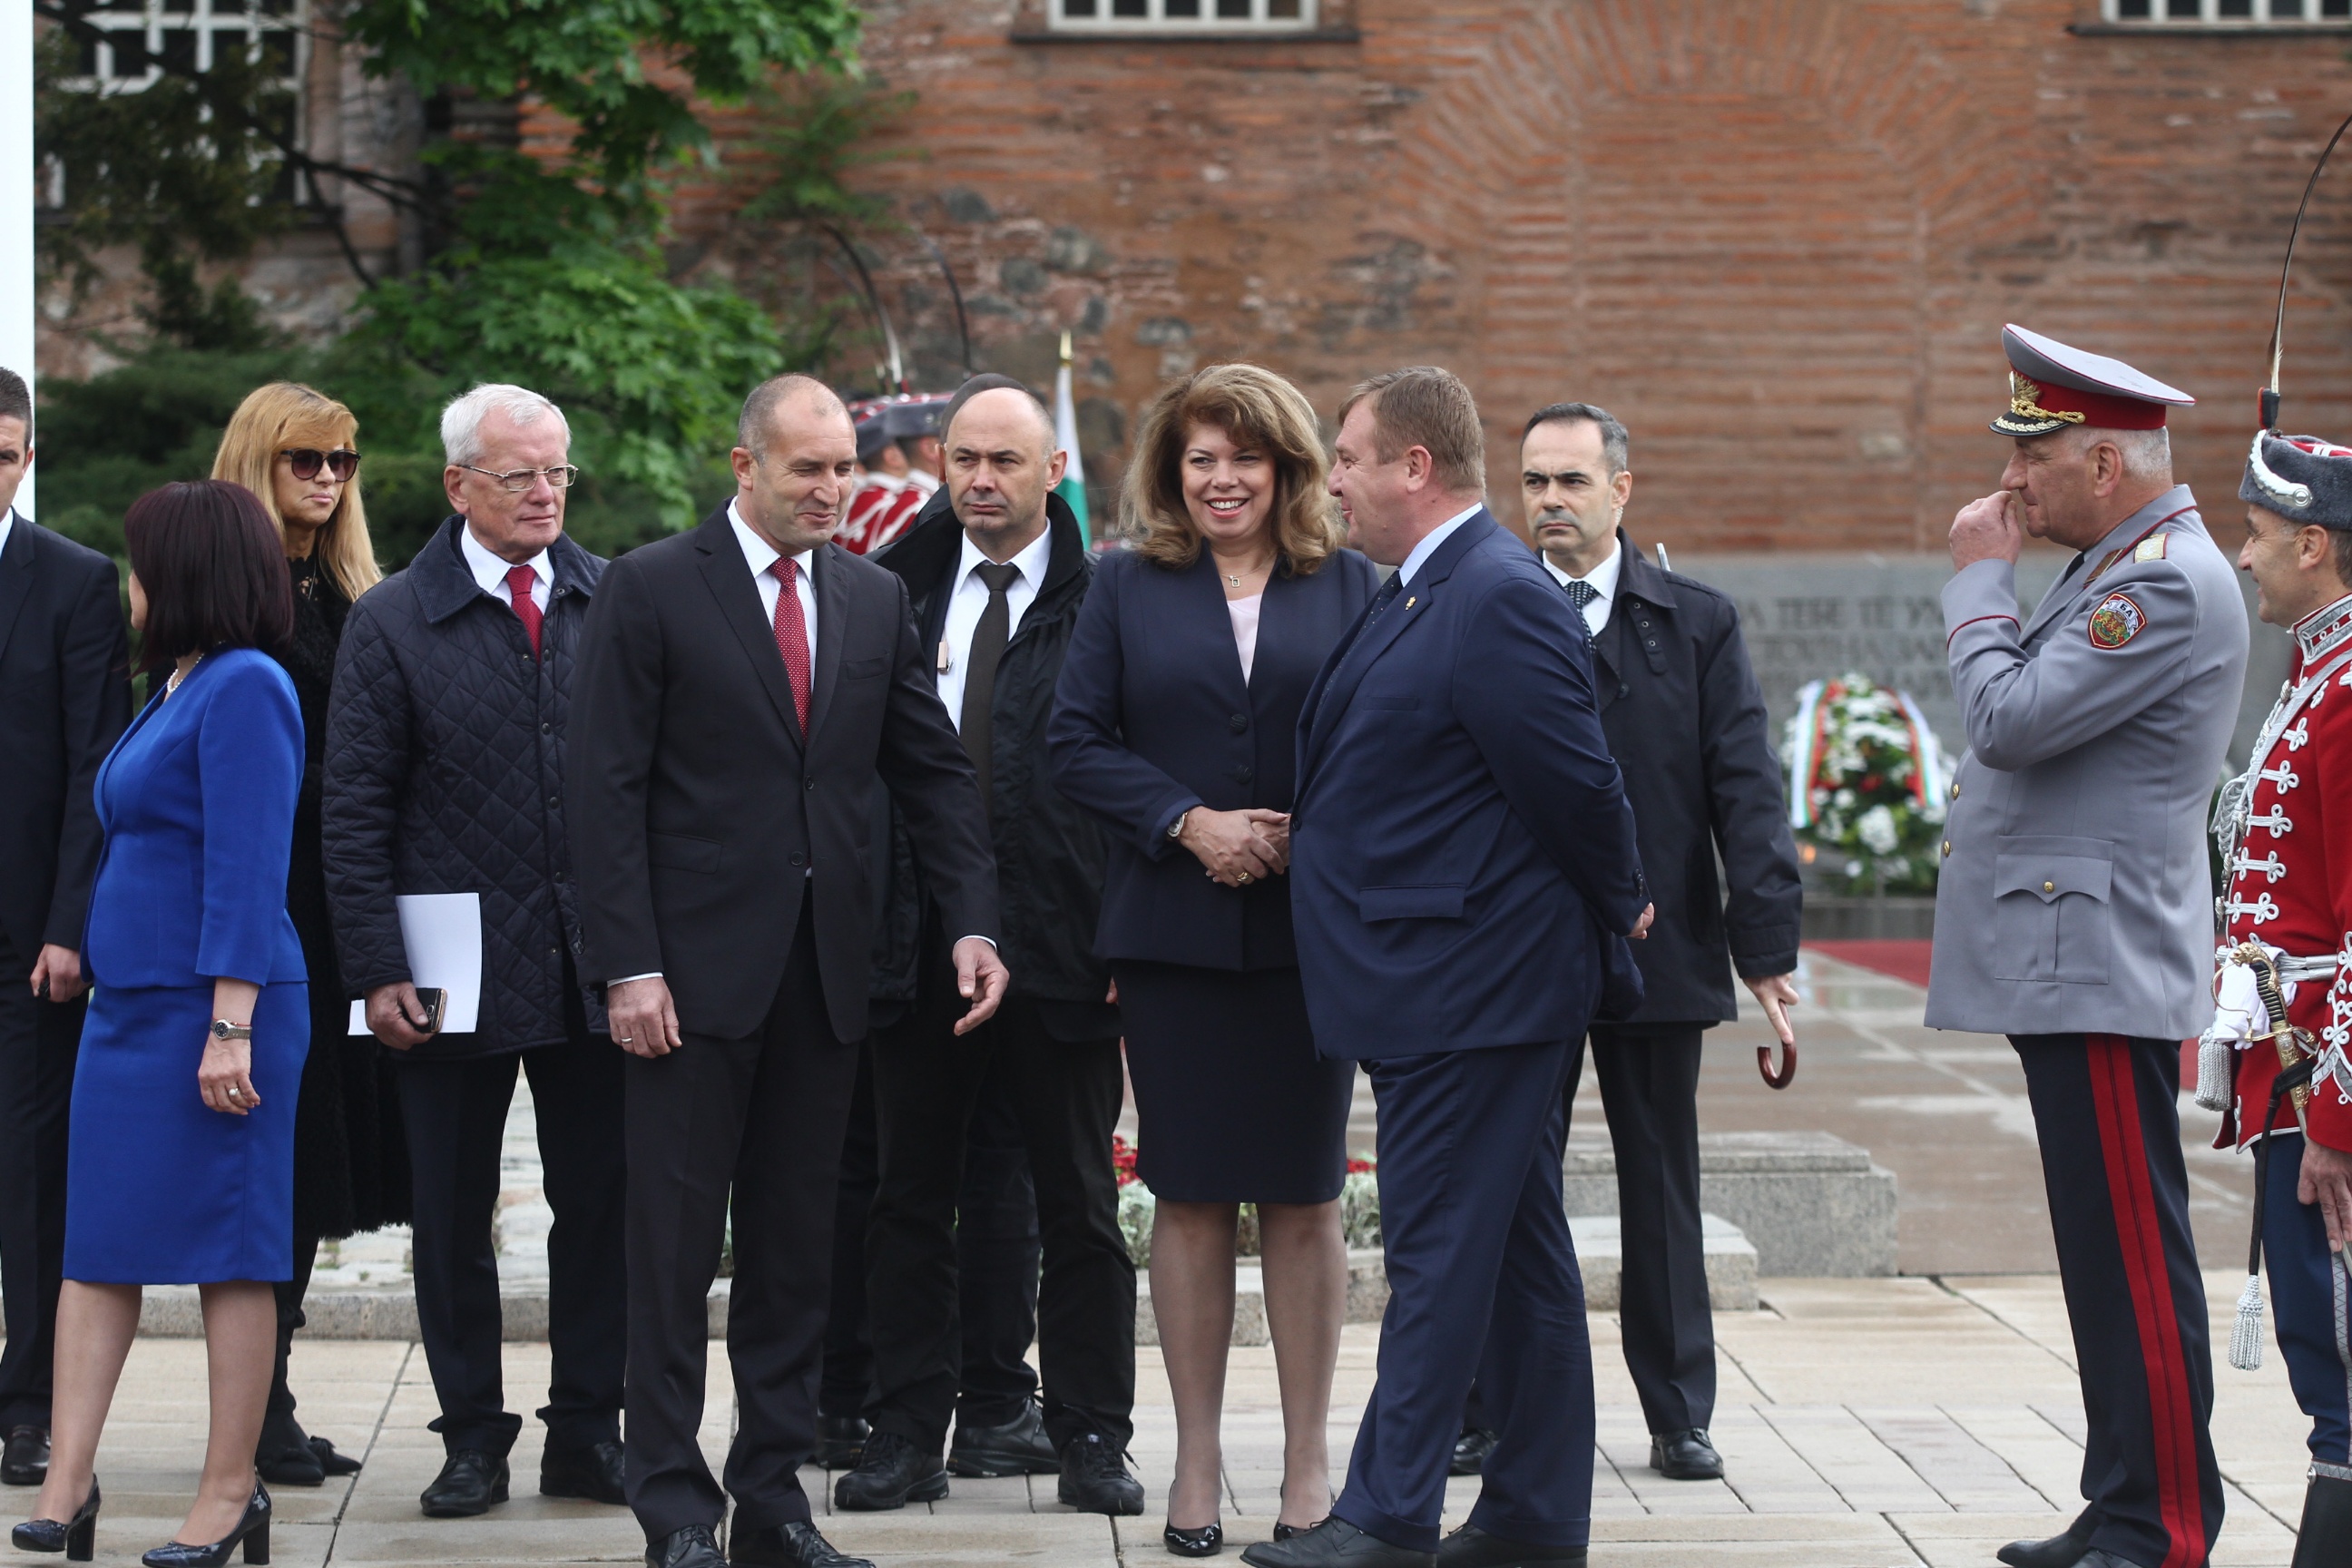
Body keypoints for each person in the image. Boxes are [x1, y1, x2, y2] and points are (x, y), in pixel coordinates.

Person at [568, 373, 1006, 1568]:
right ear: (744, 465)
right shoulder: (653, 586)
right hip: (684, 985)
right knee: (671, 1254)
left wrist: (974, 923)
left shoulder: (871, 597)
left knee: (795, 1253)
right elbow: (603, 791)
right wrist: (629, 965)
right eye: (808, 468)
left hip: (826, 982)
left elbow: (929, 774)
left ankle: (771, 1500)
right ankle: (674, 1507)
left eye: (845, 466)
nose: (832, 488)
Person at [1246, 367, 1649, 1568]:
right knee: (1517, 1255)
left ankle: (1386, 1515)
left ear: (1414, 467)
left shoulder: (1494, 593)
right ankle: (1533, 1517)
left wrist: (1624, 902)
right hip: (1437, 982)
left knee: (1437, 1256)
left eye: (1349, 458)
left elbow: (1577, 782)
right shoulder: (1427, 587)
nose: (1334, 481)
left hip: (1477, 989)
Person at [1051, 362, 1378, 1555]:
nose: (1223, 479)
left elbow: (1392, 743)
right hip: (1172, 937)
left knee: (1304, 1193)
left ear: (1287, 468)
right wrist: (1188, 822)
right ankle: (1193, 1460)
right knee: (1186, 1194)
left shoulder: (1355, 585)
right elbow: (1072, 743)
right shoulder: (1126, 585)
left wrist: (1302, 834)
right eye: (1201, 458)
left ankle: (1306, 1465)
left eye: (1245, 458)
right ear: (1171, 470)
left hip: (1309, 940)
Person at [1930, 326, 2245, 1568]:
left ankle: (2163, 1524)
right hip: (2074, 955)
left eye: (2035, 455)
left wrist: (1978, 584)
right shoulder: (2121, 565)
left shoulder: (2159, 583)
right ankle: (2122, 1500)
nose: (2012, 482)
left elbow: (2008, 719)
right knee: (2103, 1255)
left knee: (2133, 1258)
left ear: (2104, 465)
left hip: (2100, 961)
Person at [1450, 403, 1801, 1486]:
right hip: (1515, 950)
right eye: (1534, 482)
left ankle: (1678, 1413)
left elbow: (1745, 786)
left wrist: (1764, 946)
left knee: (1659, 1185)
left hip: (1658, 944)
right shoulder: (1477, 611)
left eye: (1571, 480)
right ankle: (1489, 1409)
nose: (1550, 501)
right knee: (1508, 1183)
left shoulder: (1694, 623)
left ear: (1621, 489)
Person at [837, 375, 1141, 1518]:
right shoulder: (893, 594)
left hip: (1063, 943)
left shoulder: (1110, 603)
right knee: (908, 1198)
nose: (979, 479)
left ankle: (1090, 1435)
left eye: (1005, 460)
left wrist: (1122, 934)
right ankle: (909, 1432)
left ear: (1052, 471)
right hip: (916, 944)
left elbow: (1130, 776)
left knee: (1079, 1204)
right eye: (962, 457)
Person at [322, 384, 626, 1519]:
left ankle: (589, 1429)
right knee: (451, 1215)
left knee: (603, 1205)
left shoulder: (612, 598)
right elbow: (353, 810)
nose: (545, 493)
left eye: (558, 473)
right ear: (459, 486)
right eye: (518, 476)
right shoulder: (394, 619)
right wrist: (375, 967)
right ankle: (470, 1440)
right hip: (448, 972)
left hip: (594, 963)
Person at [14, 480, 304, 1567]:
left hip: (215, 1010)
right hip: (130, 1010)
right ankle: (69, 1482)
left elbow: (248, 864)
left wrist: (229, 1025)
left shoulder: (247, 685)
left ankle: (229, 1495)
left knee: (232, 1252)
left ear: (184, 573)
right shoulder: (177, 683)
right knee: (97, 1248)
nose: (130, 585)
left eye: (142, 564)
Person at [208, 381, 409, 1488]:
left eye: (341, 460)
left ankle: (269, 1399)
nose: (328, 478)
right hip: (267, 906)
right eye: (305, 460)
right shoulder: (226, 605)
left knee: (315, 1165)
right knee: (270, 1161)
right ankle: (258, 1412)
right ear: (260, 462)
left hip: (346, 908)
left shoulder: (354, 595)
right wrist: (364, 788)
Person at [2195, 429, 2352, 1564]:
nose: (2242, 557)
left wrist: (2338, 1120)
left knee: (2340, 1361)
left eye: (2256, 535)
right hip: (2287, 1075)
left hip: (2323, 1086)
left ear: (2313, 544)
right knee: (2319, 1350)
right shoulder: (2316, 673)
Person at [0, 368, 131, 1491]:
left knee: (32, 1174)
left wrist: (71, 924)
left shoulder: (77, 582)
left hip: (26, 942)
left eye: (2, 456)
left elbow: (98, 762)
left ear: (27, 459)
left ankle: (29, 1407)